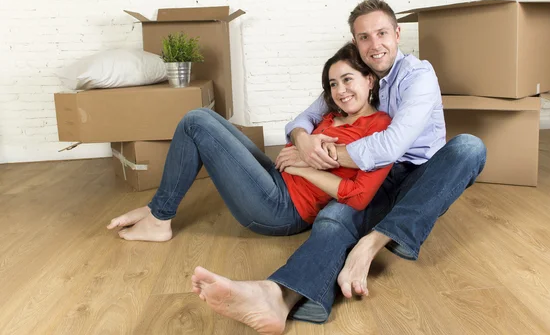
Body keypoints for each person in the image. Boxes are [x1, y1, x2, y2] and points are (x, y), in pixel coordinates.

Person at [190, 0, 487, 333]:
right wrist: (302, 140)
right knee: (334, 216)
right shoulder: (356, 75)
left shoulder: (418, 76)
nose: (375, 45)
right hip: (371, 177)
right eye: (364, 37)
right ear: (356, 42)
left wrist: (313, 159)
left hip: (417, 178)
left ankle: (372, 243)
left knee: (469, 147)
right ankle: (277, 297)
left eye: (382, 33)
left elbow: (390, 147)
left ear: (398, 33)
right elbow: (306, 117)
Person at [107, 42, 392, 244]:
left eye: (347, 80)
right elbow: (297, 130)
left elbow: (358, 196)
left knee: (196, 122)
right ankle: (157, 209)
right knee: (204, 116)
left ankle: (159, 219)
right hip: (275, 179)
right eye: (333, 84)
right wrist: (300, 146)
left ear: (369, 80)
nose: (340, 91)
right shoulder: (333, 114)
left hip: (283, 209)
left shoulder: (381, 127)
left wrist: (303, 168)